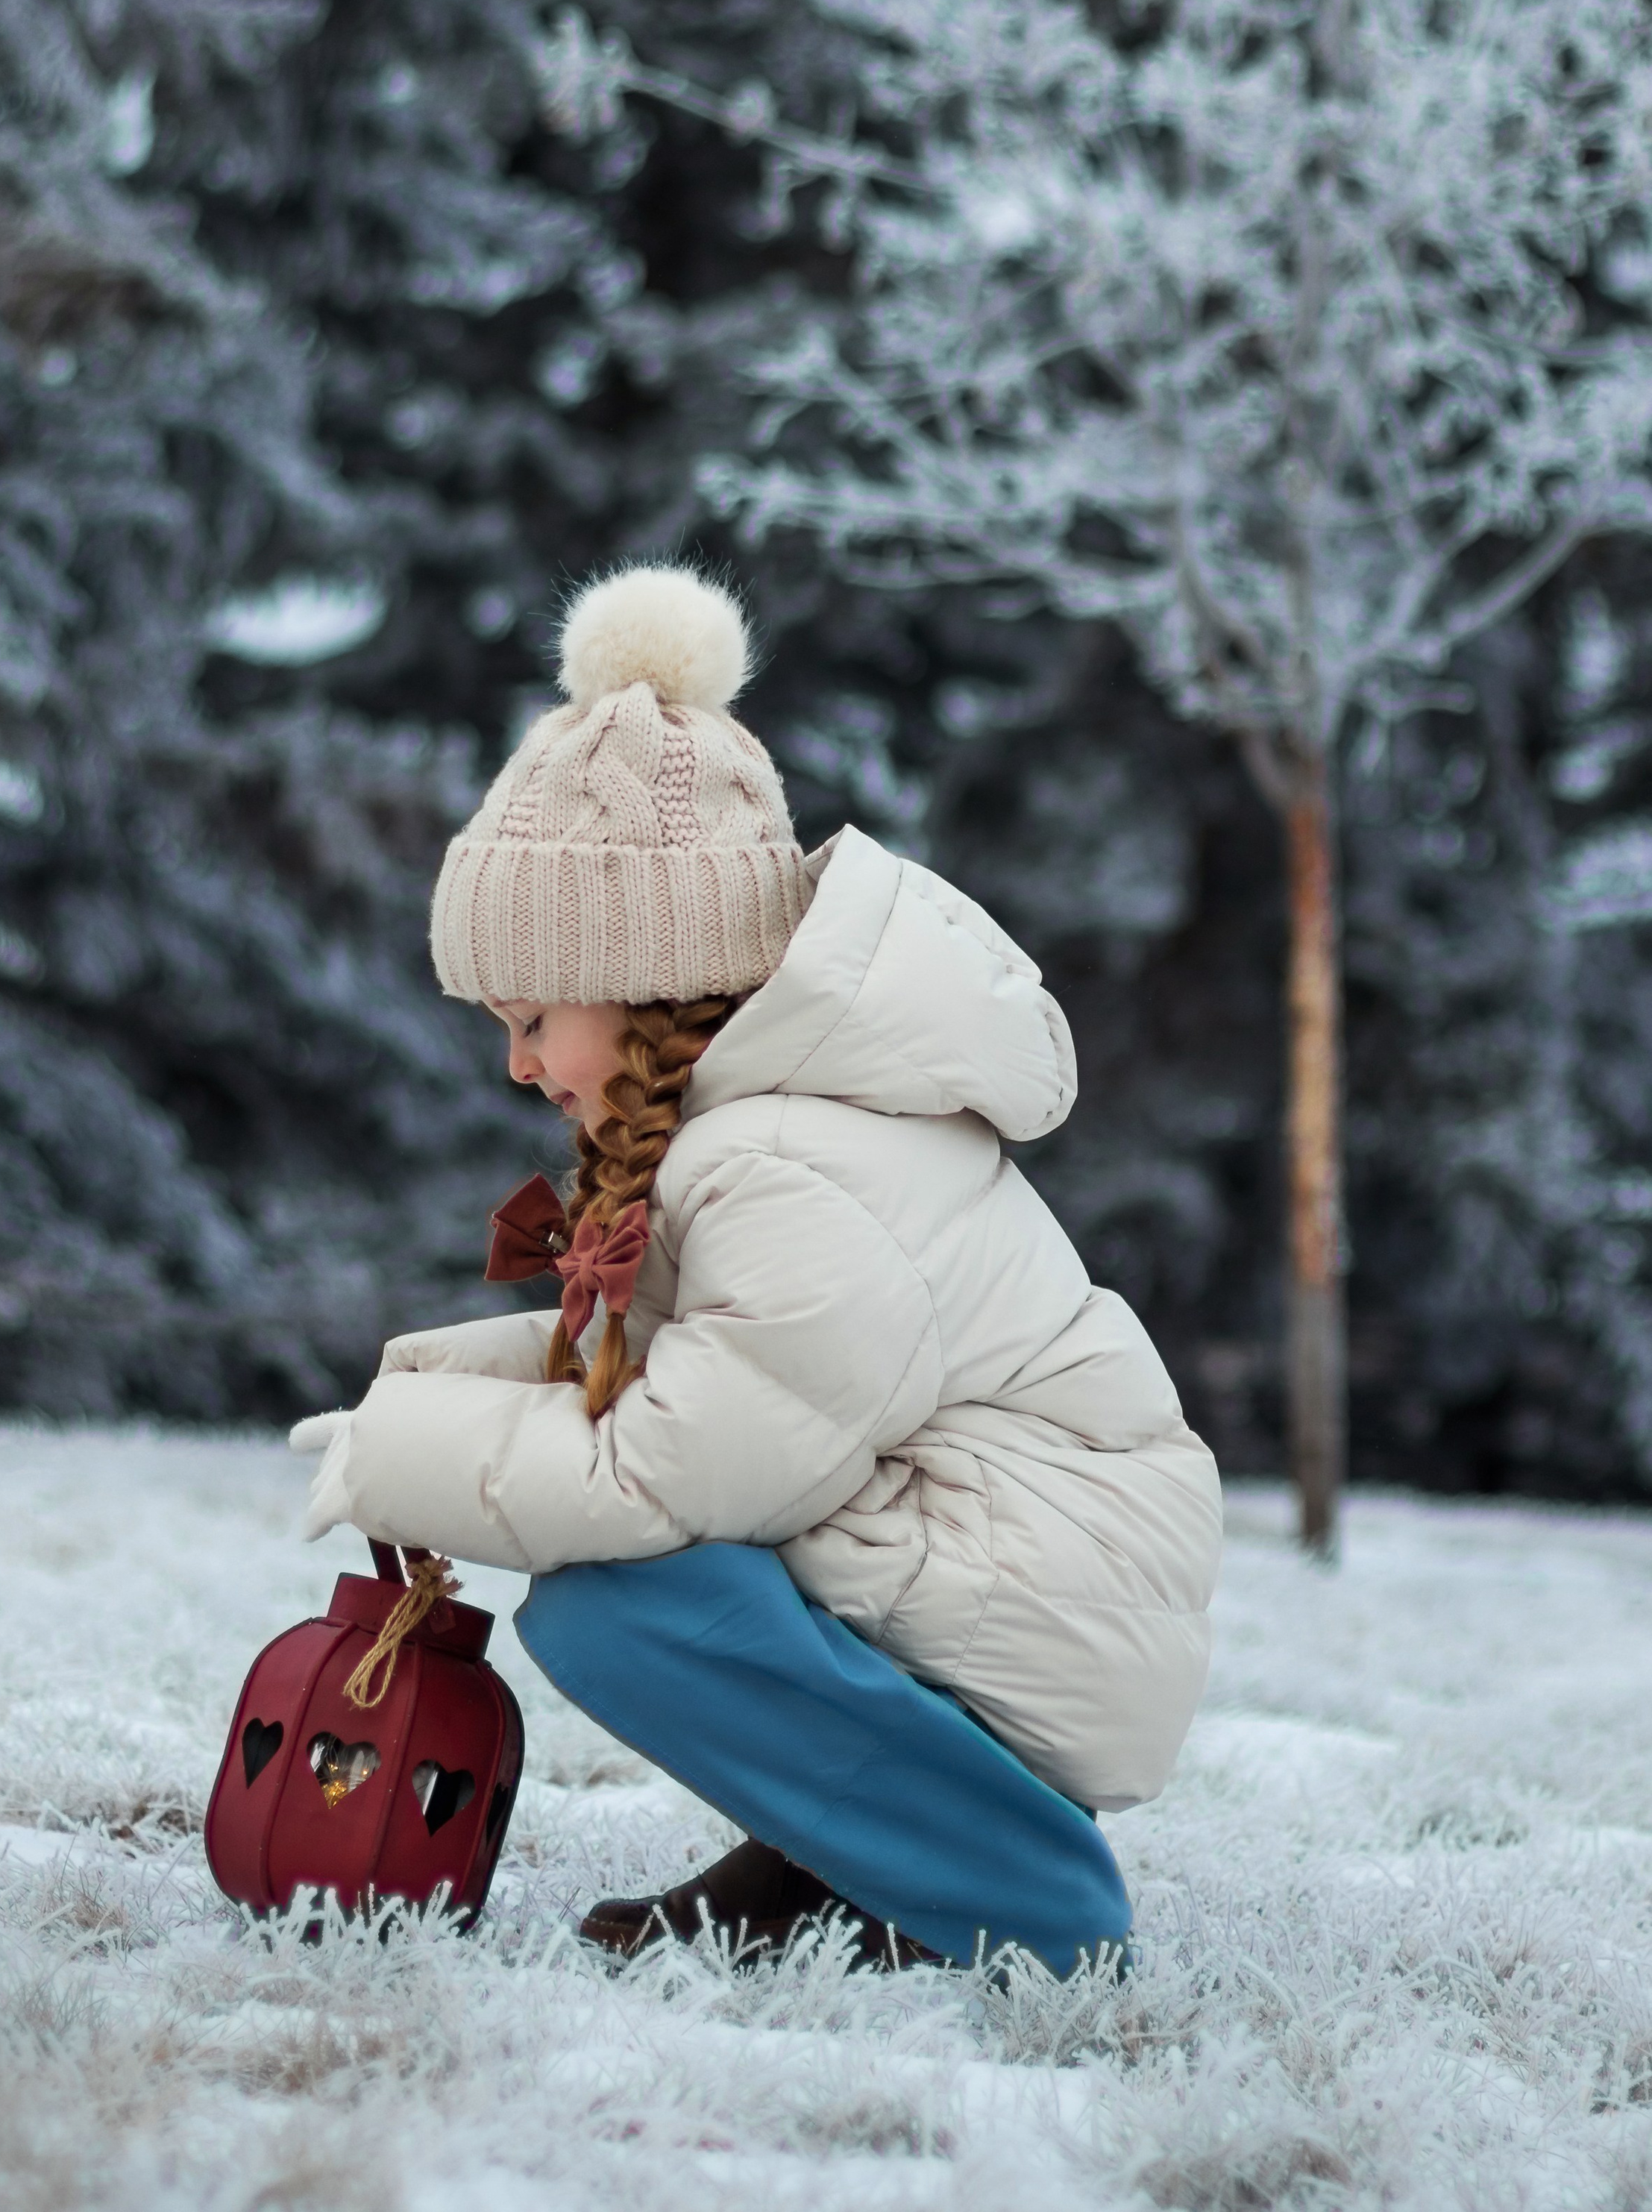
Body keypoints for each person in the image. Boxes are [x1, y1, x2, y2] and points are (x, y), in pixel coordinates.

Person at [292, 565, 1222, 1975]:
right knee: (671, 1567)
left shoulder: (787, 1167)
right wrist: (418, 1388)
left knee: (628, 1602)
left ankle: (1028, 1898)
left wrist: (405, 1456)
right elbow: (718, 1386)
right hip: (990, 1562)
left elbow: (677, 1470)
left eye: (535, 1016)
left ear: (651, 980)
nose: (517, 1063)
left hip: (1048, 1599)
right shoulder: (755, 1127)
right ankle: (837, 1868)